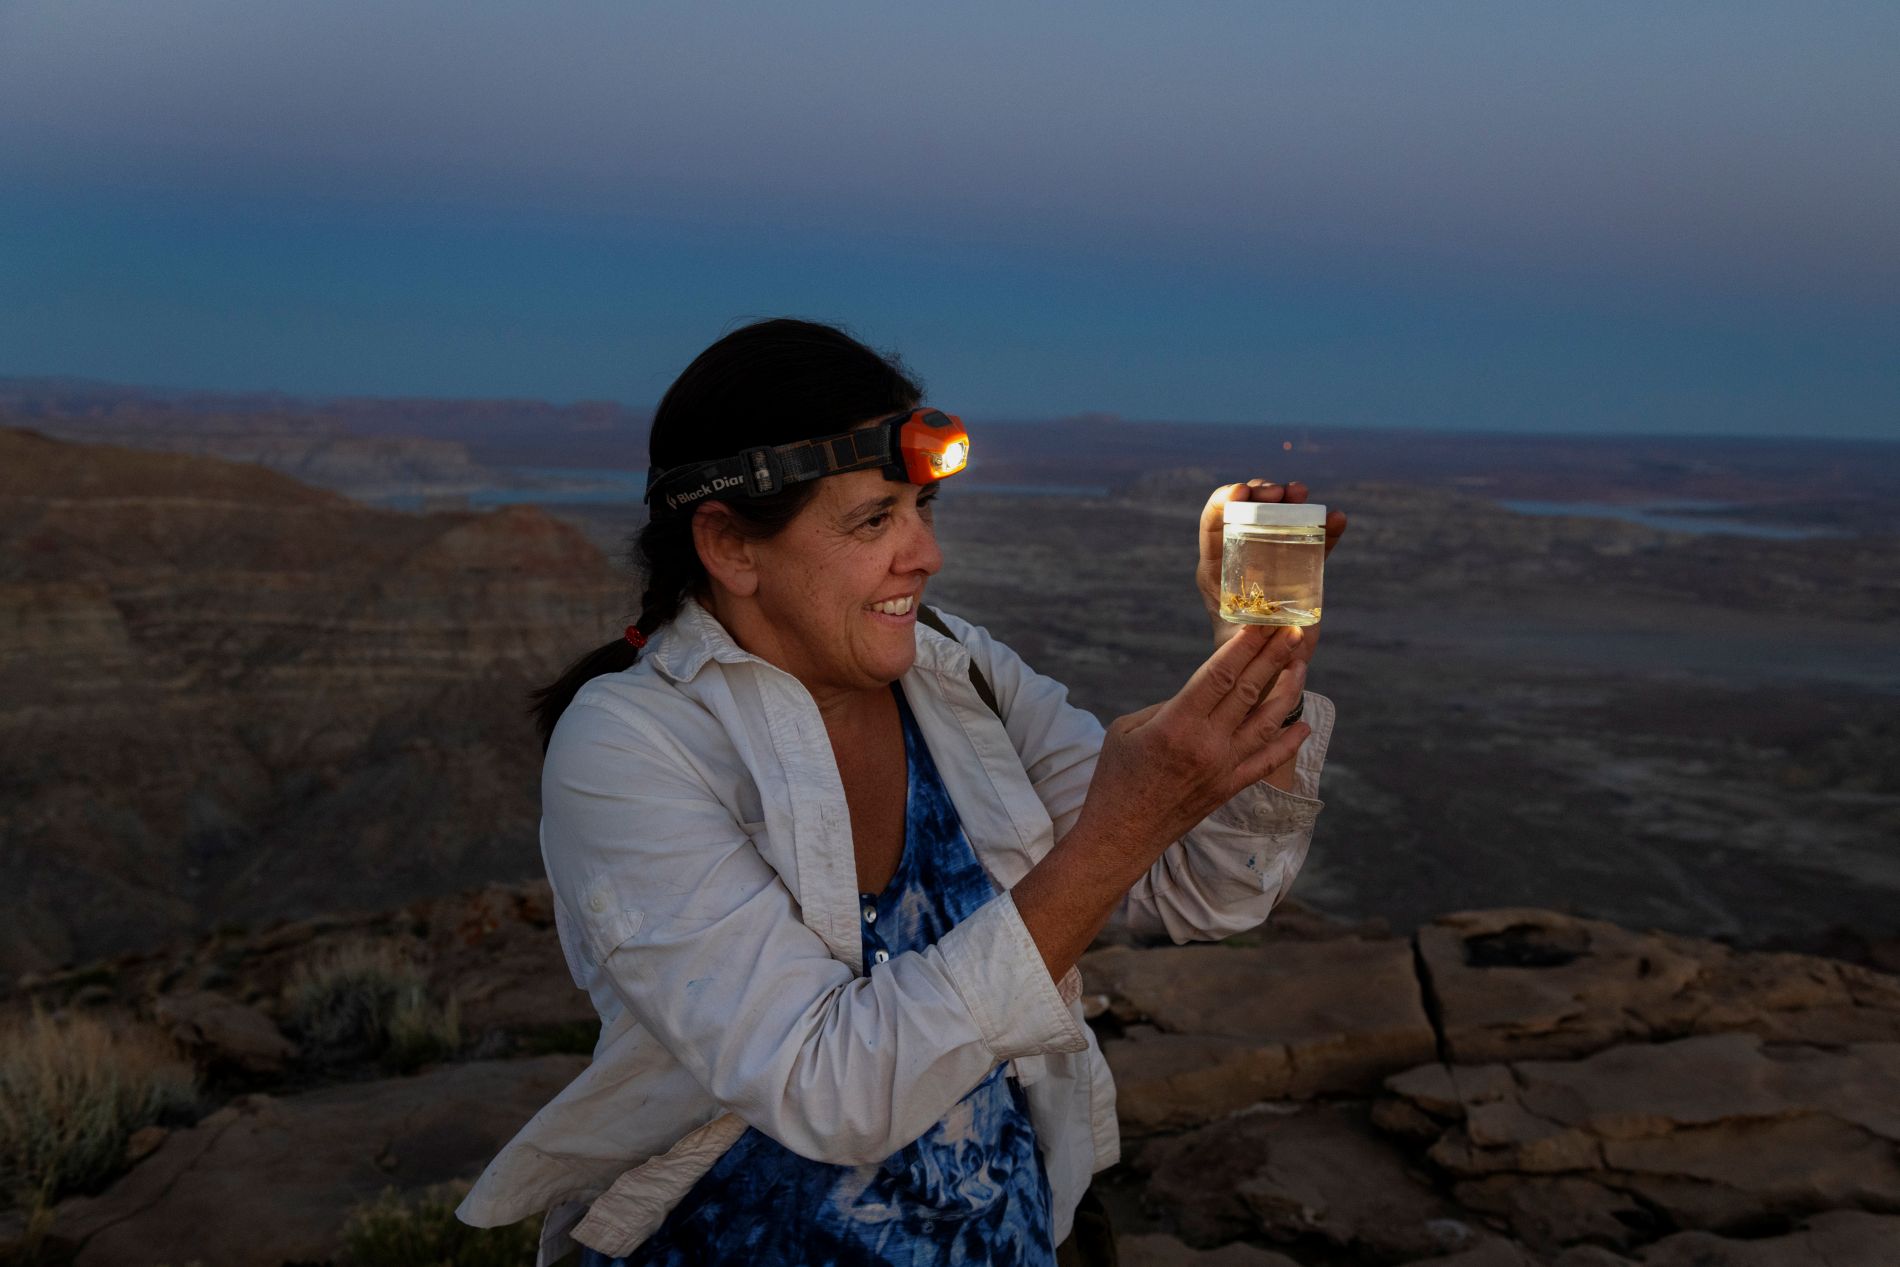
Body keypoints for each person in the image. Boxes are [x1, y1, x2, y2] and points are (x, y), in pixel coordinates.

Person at [458, 319, 1344, 1266]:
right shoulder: (631, 745)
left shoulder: (955, 671)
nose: (925, 554)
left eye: (923, 508)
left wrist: (1256, 651)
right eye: (874, 520)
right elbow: (827, 1088)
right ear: (730, 545)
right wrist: (1115, 833)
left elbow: (1208, 888)